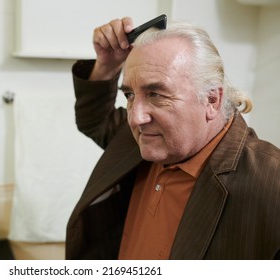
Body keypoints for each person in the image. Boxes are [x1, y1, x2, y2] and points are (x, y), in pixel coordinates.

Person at [65, 17, 280, 260]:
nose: (135, 118)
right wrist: (106, 66)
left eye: (155, 94)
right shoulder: (146, 138)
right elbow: (95, 120)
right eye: (129, 95)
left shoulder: (271, 184)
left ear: (212, 100)